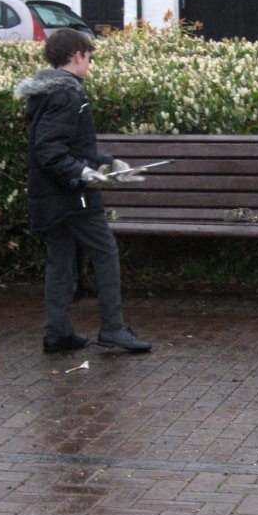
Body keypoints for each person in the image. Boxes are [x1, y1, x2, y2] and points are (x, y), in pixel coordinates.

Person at [16, 28, 152, 353]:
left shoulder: (48, 93)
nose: (89, 64)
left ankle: (58, 333)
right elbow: (50, 150)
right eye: (89, 58)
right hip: (72, 195)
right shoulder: (68, 95)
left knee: (60, 260)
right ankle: (113, 329)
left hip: (51, 196)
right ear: (77, 55)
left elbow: (70, 146)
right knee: (105, 253)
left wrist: (107, 164)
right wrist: (83, 172)